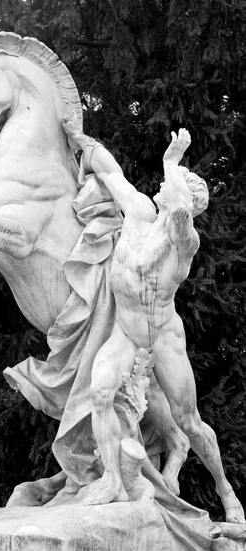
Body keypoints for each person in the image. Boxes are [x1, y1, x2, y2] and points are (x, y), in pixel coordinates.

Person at [63, 120, 244, 524]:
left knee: (190, 424)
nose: (163, 186)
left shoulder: (185, 243)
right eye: (168, 181)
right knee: (100, 391)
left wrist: (173, 164)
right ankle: (111, 478)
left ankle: (225, 489)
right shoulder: (140, 212)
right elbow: (111, 173)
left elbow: (178, 214)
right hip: (126, 333)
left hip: (163, 338)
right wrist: (78, 137)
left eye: (174, 184)